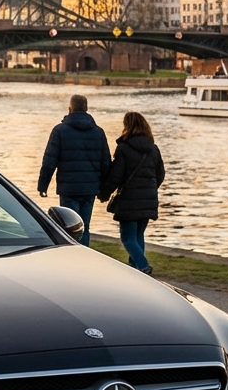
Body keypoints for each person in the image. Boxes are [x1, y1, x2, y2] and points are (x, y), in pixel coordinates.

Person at [37, 94, 111, 246]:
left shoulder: (59, 131)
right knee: (85, 227)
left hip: (69, 187)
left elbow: (50, 161)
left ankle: (72, 258)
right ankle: (84, 256)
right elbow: (106, 163)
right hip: (90, 188)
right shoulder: (98, 132)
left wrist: (43, 185)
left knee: (69, 226)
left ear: (70, 109)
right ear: (86, 109)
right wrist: (104, 189)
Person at [100, 111, 165, 275]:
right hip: (148, 199)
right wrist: (150, 188)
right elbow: (160, 173)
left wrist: (105, 193)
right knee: (138, 235)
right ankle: (135, 270)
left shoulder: (124, 147)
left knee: (127, 237)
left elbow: (116, 175)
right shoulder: (153, 148)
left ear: (127, 126)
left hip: (129, 198)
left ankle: (143, 265)